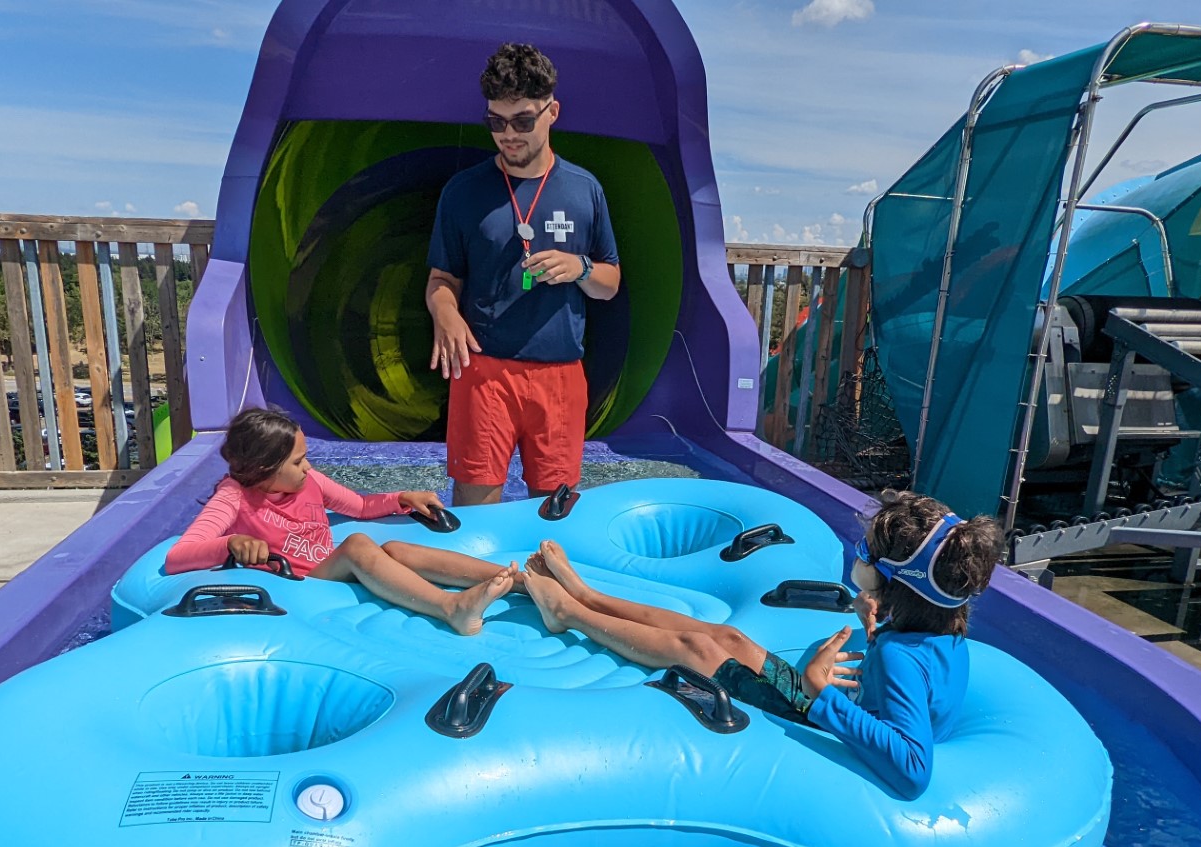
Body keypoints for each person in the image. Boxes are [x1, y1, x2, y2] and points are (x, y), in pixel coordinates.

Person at [520, 492, 1000, 798]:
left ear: (896, 579)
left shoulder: (899, 656)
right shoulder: (939, 633)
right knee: (729, 637)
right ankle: (589, 595)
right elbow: (912, 682)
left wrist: (820, 694)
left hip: (821, 718)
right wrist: (872, 623)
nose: (859, 556)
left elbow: (914, 767)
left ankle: (570, 613)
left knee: (698, 648)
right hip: (832, 705)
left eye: (865, 552)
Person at [425, 42, 622, 506]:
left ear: (552, 111)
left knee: (554, 513)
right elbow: (441, 280)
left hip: (560, 376)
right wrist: (445, 314)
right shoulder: (463, 192)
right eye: (496, 122)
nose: (508, 135)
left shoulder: (584, 190)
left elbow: (609, 284)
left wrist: (581, 267)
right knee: (476, 514)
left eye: (522, 121)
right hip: (484, 373)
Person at [165, 407, 518, 635]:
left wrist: (400, 499)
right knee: (357, 546)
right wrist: (230, 543)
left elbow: (360, 507)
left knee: (395, 548)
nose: (307, 467)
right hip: (303, 582)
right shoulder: (234, 497)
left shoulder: (311, 482)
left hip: (328, 567)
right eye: (298, 462)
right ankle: (450, 608)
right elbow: (178, 556)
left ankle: (512, 580)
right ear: (263, 468)